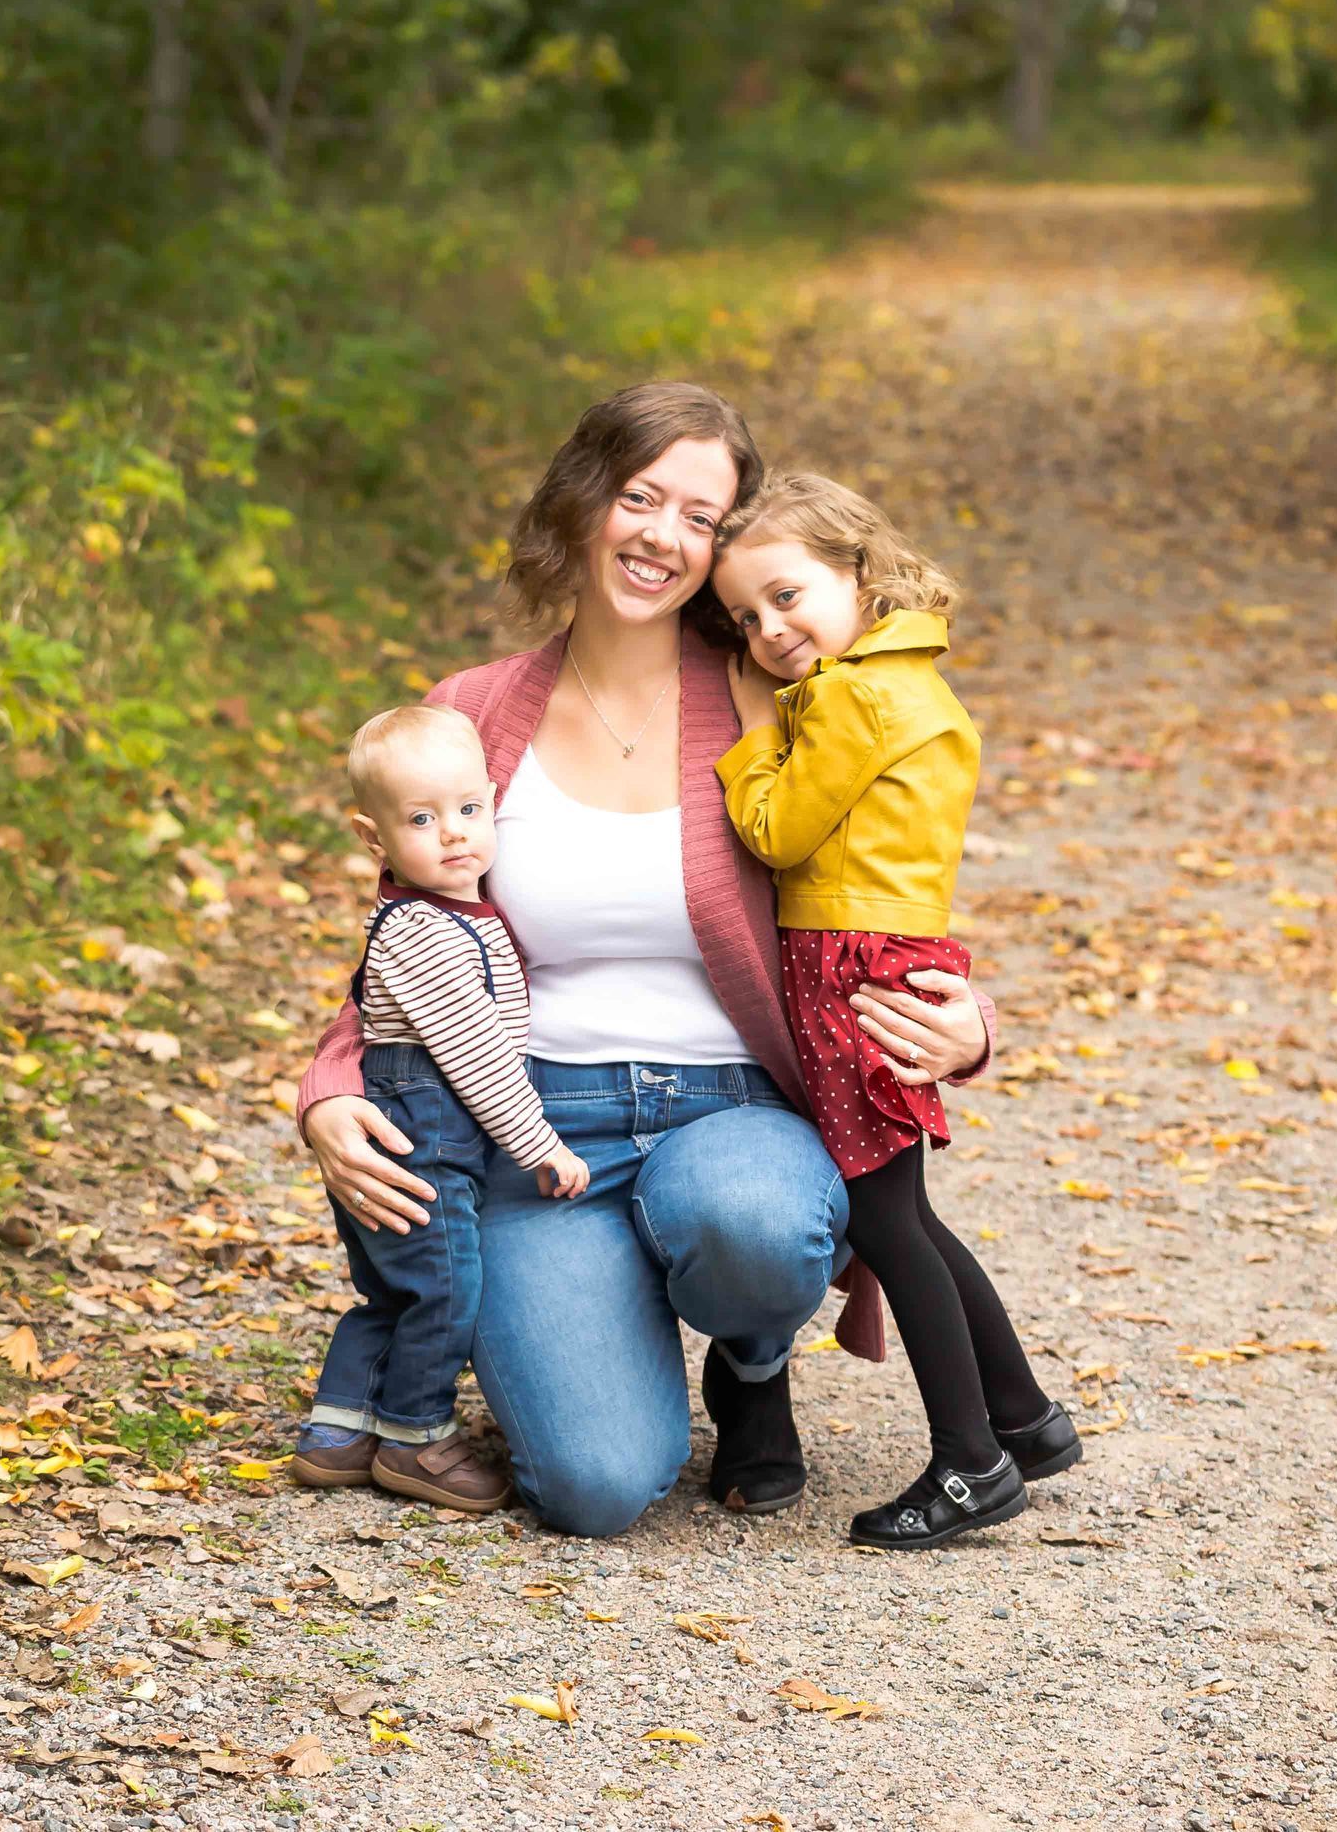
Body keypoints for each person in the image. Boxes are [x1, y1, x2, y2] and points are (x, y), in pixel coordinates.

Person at [294, 382, 996, 1539]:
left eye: (702, 518)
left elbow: (893, 868)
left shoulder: (781, 689)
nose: (664, 535)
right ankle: (594, 1310)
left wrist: (963, 1020)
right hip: (533, 1124)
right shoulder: (474, 714)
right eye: (640, 497)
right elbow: (407, 942)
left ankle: (751, 1352)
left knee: (755, 1229)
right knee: (598, 1484)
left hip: (732, 1111)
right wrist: (329, 1093)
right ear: (586, 500)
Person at [713, 470, 1079, 1548]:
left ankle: (971, 1460)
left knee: (884, 1217)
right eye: (744, 616)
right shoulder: (898, 670)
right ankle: (1025, 1416)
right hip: (879, 944)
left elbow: (777, 830)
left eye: (786, 596)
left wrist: (747, 724)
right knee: (905, 1211)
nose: (769, 630)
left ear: (857, 569)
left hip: (847, 960)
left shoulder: (851, 694)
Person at [290, 703, 589, 1515]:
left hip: (416, 1121)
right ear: (373, 837)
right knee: (446, 1288)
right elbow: (476, 1059)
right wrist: (539, 1145)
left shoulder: (453, 913)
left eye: (469, 810)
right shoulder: (423, 931)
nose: (455, 834)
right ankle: (417, 1437)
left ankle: (339, 1433)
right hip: (425, 1131)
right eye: (423, 820)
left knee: (392, 1289)